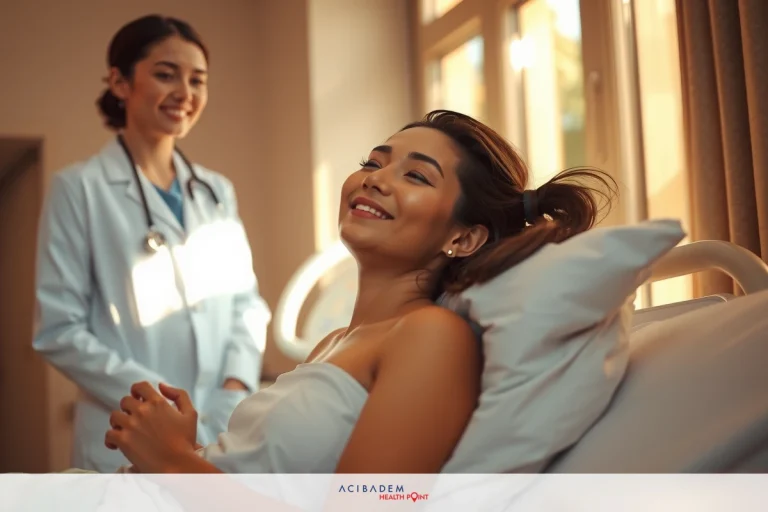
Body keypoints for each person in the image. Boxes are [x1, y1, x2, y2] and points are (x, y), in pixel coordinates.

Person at [104, 110, 615, 474]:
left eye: (415, 175)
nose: (376, 180)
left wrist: (170, 462)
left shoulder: (433, 336)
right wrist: (187, 451)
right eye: (373, 163)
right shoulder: (335, 342)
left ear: (464, 237)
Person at [33, 15, 270, 472]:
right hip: (126, 426)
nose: (185, 92)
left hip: (223, 422)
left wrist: (236, 385)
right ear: (119, 83)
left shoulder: (216, 190)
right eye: (166, 74)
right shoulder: (79, 188)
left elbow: (246, 303)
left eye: (197, 80)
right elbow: (58, 329)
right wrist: (157, 402)